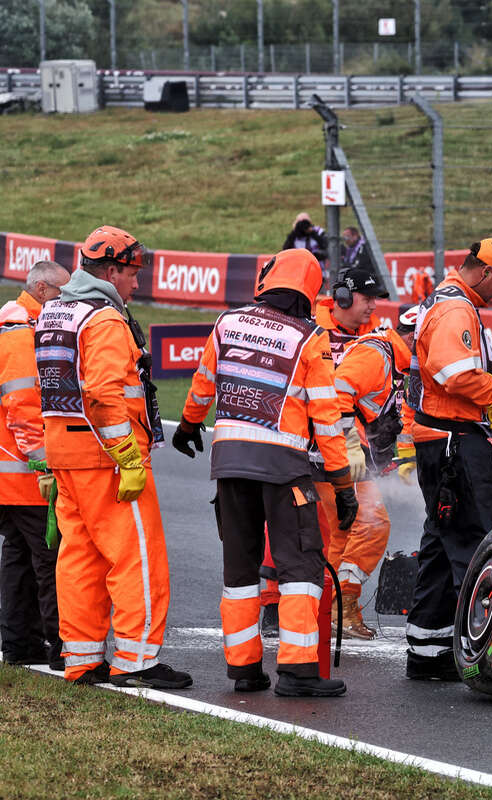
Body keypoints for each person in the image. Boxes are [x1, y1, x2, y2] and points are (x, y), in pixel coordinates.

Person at [174, 248, 358, 697]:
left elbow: (204, 380)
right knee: (299, 567)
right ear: (310, 293)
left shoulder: (228, 323)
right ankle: (296, 673)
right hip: (284, 471)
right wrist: (343, 483)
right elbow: (328, 420)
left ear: (265, 281)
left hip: (230, 466)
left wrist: (189, 423)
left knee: (239, 571)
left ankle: (245, 671)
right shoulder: (309, 338)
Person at [35, 226, 191, 689]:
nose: (136, 284)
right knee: (137, 558)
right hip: (105, 456)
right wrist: (127, 456)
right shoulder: (103, 320)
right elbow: (103, 393)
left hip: (65, 453)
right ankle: (136, 659)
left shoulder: (54, 312)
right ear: (110, 270)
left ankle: (81, 659)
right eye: (131, 273)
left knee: (79, 557)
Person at [404, 238, 492, 680]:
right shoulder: (457, 309)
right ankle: (485, 654)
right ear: (484, 272)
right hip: (454, 439)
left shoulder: (451, 301)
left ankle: (426, 650)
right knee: (478, 544)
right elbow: (452, 372)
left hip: (442, 437)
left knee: (441, 543)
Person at [308, 266, 391, 640]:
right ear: (341, 298)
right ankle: (343, 606)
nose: (372, 306)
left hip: (334, 452)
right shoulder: (313, 332)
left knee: (342, 533)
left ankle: (332, 609)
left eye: (376, 299)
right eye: (366, 298)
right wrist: (350, 443)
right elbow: (333, 394)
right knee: (373, 525)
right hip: (327, 452)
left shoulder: (371, 337)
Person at [0, 261, 70, 670]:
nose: (68, 301)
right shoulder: (21, 332)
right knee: (49, 557)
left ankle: (21, 643)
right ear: (42, 290)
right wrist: (43, 462)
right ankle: (64, 647)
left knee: (21, 558)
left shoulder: (18, 324)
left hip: (12, 471)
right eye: (62, 293)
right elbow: (24, 405)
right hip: (24, 473)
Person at [283, 212, 329, 277]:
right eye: (300, 222)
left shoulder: (318, 231)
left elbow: (326, 247)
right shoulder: (294, 235)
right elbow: (285, 250)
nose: (303, 225)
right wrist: (294, 233)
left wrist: (312, 233)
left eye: (305, 222)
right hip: (298, 272)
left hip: (317, 271)